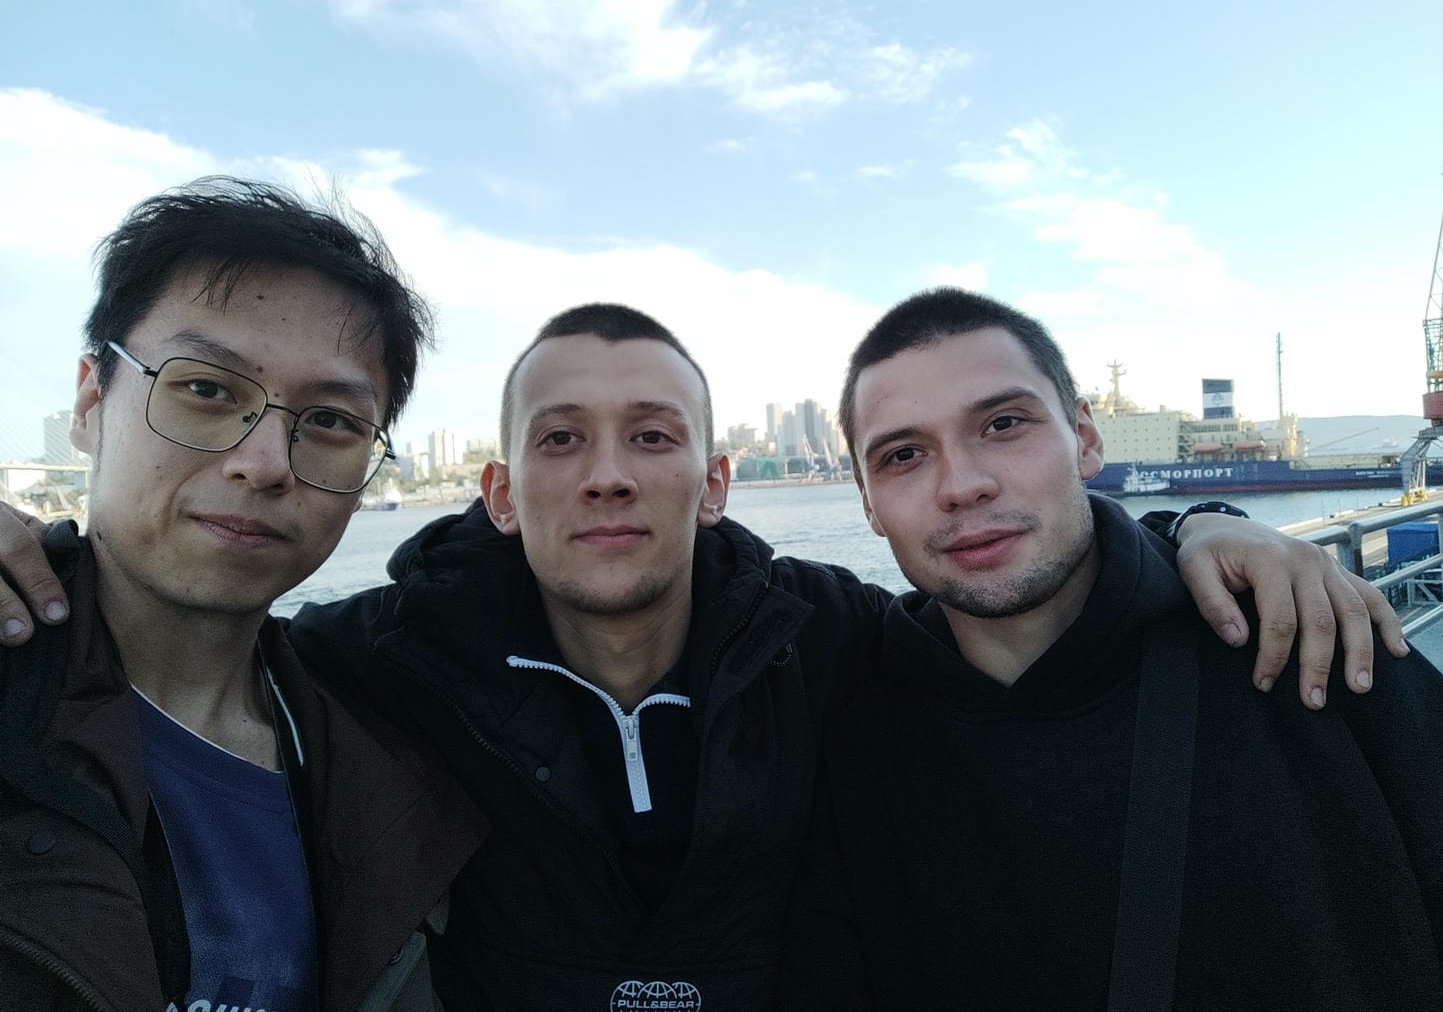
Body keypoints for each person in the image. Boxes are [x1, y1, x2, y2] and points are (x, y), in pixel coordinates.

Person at [0, 303, 1407, 1010]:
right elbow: (171, 632)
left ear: (718, 481)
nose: (606, 476)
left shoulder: (837, 645)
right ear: (497, 491)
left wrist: (1198, 532)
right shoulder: (367, 674)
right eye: (560, 440)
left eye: (651, 437)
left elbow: (1028, 608)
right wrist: (27, 557)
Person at [778, 288, 1443, 1010]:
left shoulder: (1312, 647)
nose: (962, 485)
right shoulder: (845, 742)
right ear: (868, 503)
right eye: (903, 454)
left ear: (1085, 438)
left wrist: (1198, 523)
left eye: (1004, 424)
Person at [0, 179, 482, 1011]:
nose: (262, 462)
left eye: (330, 421)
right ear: (90, 402)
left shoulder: (386, 762)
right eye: (207, 390)